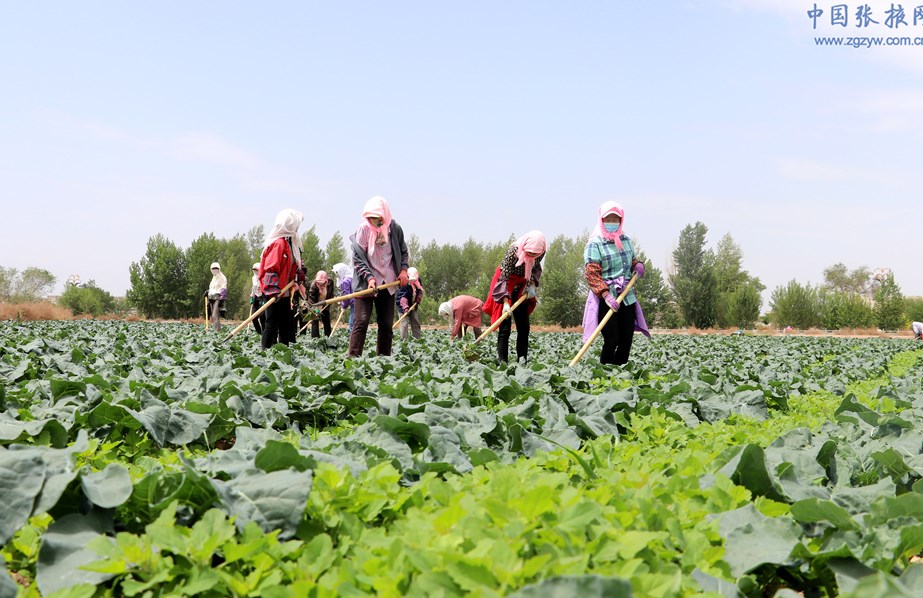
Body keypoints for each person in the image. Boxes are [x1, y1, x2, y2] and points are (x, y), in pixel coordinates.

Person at [581, 201, 650, 365]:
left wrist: (638, 265)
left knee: (626, 340)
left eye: (615, 219)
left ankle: (619, 373)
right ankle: (605, 372)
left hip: (627, 296)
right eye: (608, 219)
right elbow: (592, 273)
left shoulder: (626, 240)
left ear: (621, 220)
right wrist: (605, 294)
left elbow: (632, 261)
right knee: (612, 339)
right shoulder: (595, 244)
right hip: (606, 298)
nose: (612, 222)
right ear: (602, 220)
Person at [348, 196, 409, 357]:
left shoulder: (395, 229)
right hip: (366, 282)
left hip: (388, 282)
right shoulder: (364, 229)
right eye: (371, 219)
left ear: (384, 216)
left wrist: (403, 271)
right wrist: (369, 278)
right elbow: (358, 258)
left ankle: (383, 361)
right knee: (361, 321)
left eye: (377, 218)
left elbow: (403, 252)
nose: (374, 222)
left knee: (386, 324)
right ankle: (352, 360)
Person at [483, 231, 546, 363]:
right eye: (529, 252)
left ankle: (522, 360)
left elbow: (535, 269)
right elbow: (504, 277)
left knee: (524, 326)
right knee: (505, 325)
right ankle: (503, 362)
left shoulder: (541, 251)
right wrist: (506, 303)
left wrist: (532, 285)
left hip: (524, 281)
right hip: (506, 282)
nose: (532, 256)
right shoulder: (513, 251)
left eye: (535, 254)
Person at [258, 209, 304, 348]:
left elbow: (292, 267)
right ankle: (265, 352)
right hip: (273, 290)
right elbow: (270, 269)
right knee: (271, 324)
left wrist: (298, 275)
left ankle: (283, 354)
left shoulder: (290, 244)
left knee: (285, 324)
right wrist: (273, 290)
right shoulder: (278, 244)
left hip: (284, 291)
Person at [396, 267, 424, 340]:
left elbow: (420, 290)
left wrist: (418, 298)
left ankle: (418, 340)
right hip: (402, 306)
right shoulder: (404, 282)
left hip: (413, 304)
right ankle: (404, 341)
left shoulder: (418, 280)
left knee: (415, 322)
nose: (413, 280)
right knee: (404, 324)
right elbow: (403, 297)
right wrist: (405, 308)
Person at [308, 270, 334, 338]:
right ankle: (315, 338)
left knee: (326, 320)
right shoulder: (313, 286)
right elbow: (311, 301)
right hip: (316, 304)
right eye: (319, 283)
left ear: (326, 280)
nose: (320, 285)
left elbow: (331, 294)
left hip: (325, 303)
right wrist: (316, 310)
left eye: (322, 283)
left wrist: (328, 303)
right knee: (315, 320)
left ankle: (328, 337)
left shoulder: (330, 282)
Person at [205, 262, 228, 332]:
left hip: (218, 297)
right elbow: (212, 288)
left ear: (219, 269)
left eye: (216, 269)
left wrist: (222, 298)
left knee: (215, 315)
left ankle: (217, 331)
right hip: (211, 297)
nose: (214, 270)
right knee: (212, 316)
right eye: (213, 269)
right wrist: (207, 292)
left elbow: (223, 288)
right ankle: (216, 329)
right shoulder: (213, 278)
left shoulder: (222, 277)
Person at [332, 262, 354, 333]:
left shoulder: (346, 281)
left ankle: (353, 342)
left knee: (352, 323)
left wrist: (344, 305)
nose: (337, 275)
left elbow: (346, 296)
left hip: (355, 303)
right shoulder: (352, 277)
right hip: (359, 301)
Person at [249, 262, 265, 334]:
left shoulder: (264, 277)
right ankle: (259, 332)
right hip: (256, 296)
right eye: (254, 270)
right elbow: (253, 287)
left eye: (257, 270)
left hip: (262, 296)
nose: (256, 272)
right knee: (253, 317)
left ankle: (264, 332)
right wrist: (252, 296)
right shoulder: (253, 278)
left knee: (262, 316)